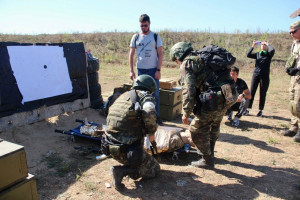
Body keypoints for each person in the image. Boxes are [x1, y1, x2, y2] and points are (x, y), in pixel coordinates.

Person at [169, 42, 238, 169]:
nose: (177, 62)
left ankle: (207, 160)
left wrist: (186, 112)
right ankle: (210, 155)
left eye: (176, 60)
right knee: (214, 124)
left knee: (196, 129)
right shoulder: (202, 57)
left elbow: (188, 91)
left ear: (179, 55)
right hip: (229, 94)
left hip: (215, 98)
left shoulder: (187, 63)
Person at [101, 75, 160, 190]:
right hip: (127, 149)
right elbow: (149, 112)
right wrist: (151, 133)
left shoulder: (123, 96)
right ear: (150, 89)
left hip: (108, 145)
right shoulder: (145, 97)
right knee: (155, 169)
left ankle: (132, 164)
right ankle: (122, 171)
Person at [129, 14, 164, 125]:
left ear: (149, 24)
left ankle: (156, 117)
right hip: (140, 70)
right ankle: (141, 118)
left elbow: (161, 54)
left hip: (153, 70)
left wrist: (158, 70)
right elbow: (131, 54)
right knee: (140, 95)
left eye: (145, 25)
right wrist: (131, 70)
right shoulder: (135, 37)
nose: (143, 28)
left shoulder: (155, 36)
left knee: (155, 94)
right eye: (141, 26)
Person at [281, 21, 300, 143]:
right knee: (292, 101)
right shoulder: (295, 43)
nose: (291, 34)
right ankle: (294, 126)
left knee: (299, 103)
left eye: (294, 31)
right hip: (294, 77)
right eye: (290, 32)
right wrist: (289, 68)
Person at [246, 40, 275, 117]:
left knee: (262, 93)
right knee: (251, 91)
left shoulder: (269, 54)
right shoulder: (258, 54)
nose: (263, 45)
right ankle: (247, 109)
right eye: (262, 44)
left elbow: (272, 50)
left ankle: (260, 110)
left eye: (264, 45)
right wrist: (253, 46)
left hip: (264, 76)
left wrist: (268, 44)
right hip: (256, 75)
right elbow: (248, 55)